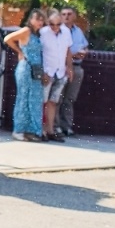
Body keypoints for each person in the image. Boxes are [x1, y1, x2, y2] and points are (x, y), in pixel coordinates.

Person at [5, 9, 46, 141]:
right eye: (37, 19)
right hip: (26, 67)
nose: (40, 22)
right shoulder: (26, 31)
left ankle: (31, 130)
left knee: (34, 98)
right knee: (23, 98)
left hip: (35, 69)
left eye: (42, 19)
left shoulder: (37, 34)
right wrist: (19, 51)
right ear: (31, 19)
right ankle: (19, 129)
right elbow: (8, 39)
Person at [38, 9, 72, 142]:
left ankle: (50, 130)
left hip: (60, 71)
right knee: (43, 101)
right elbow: (38, 53)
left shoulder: (66, 32)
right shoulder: (43, 33)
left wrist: (69, 67)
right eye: (52, 24)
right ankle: (40, 130)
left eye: (58, 24)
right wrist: (42, 71)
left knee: (53, 101)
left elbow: (68, 50)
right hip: (48, 71)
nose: (55, 27)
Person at [57, 12, 88, 137]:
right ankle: (56, 126)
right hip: (62, 67)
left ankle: (67, 126)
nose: (66, 16)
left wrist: (84, 52)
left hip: (77, 67)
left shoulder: (78, 31)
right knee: (57, 98)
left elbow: (85, 46)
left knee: (70, 99)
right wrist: (73, 55)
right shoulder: (59, 31)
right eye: (63, 14)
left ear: (74, 16)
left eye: (69, 14)